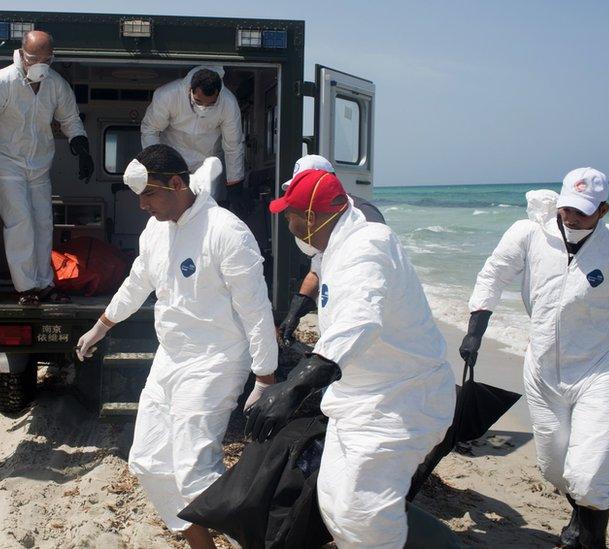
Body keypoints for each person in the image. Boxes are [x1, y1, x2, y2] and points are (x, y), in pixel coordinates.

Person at [462, 167, 609, 549]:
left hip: (601, 368)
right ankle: (580, 511)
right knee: (554, 468)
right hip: (543, 370)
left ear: (603, 210)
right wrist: (475, 325)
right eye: (567, 208)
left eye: (583, 211)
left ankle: (591, 539)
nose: (571, 217)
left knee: (588, 475)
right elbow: (493, 274)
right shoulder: (529, 234)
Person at [75, 144, 277, 549]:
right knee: (147, 464)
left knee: (194, 470)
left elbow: (257, 311)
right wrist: (101, 325)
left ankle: (256, 541)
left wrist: (265, 377)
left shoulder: (226, 232)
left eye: (149, 195)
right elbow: (137, 283)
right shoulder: (156, 231)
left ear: (177, 183)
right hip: (170, 359)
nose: (143, 206)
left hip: (216, 360)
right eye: (139, 198)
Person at [246, 169, 456, 548]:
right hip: (358, 398)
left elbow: (359, 324)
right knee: (335, 503)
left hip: (400, 401)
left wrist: (292, 388)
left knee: (363, 513)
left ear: (310, 218)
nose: (287, 222)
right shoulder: (337, 245)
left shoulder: (367, 246)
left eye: (289, 214)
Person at [0, 30, 94, 304]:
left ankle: (45, 283)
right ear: (21, 54)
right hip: (7, 164)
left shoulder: (56, 85)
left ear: (52, 58)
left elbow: (70, 118)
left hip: (39, 166)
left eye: (46, 59)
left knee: (44, 222)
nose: (40, 65)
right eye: (34, 58)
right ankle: (26, 288)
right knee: (20, 222)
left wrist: (81, 147)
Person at [275, 155, 387, 348]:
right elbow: (316, 269)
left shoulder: (365, 220)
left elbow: (367, 297)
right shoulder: (322, 221)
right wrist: (295, 311)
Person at [140, 66, 248, 216]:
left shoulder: (228, 103)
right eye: (198, 101)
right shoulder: (167, 95)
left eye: (210, 104)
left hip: (206, 164)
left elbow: (233, 145)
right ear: (190, 89)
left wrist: (235, 185)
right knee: (169, 212)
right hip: (172, 164)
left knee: (206, 214)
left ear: (218, 94)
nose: (203, 107)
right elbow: (150, 130)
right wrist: (157, 170)